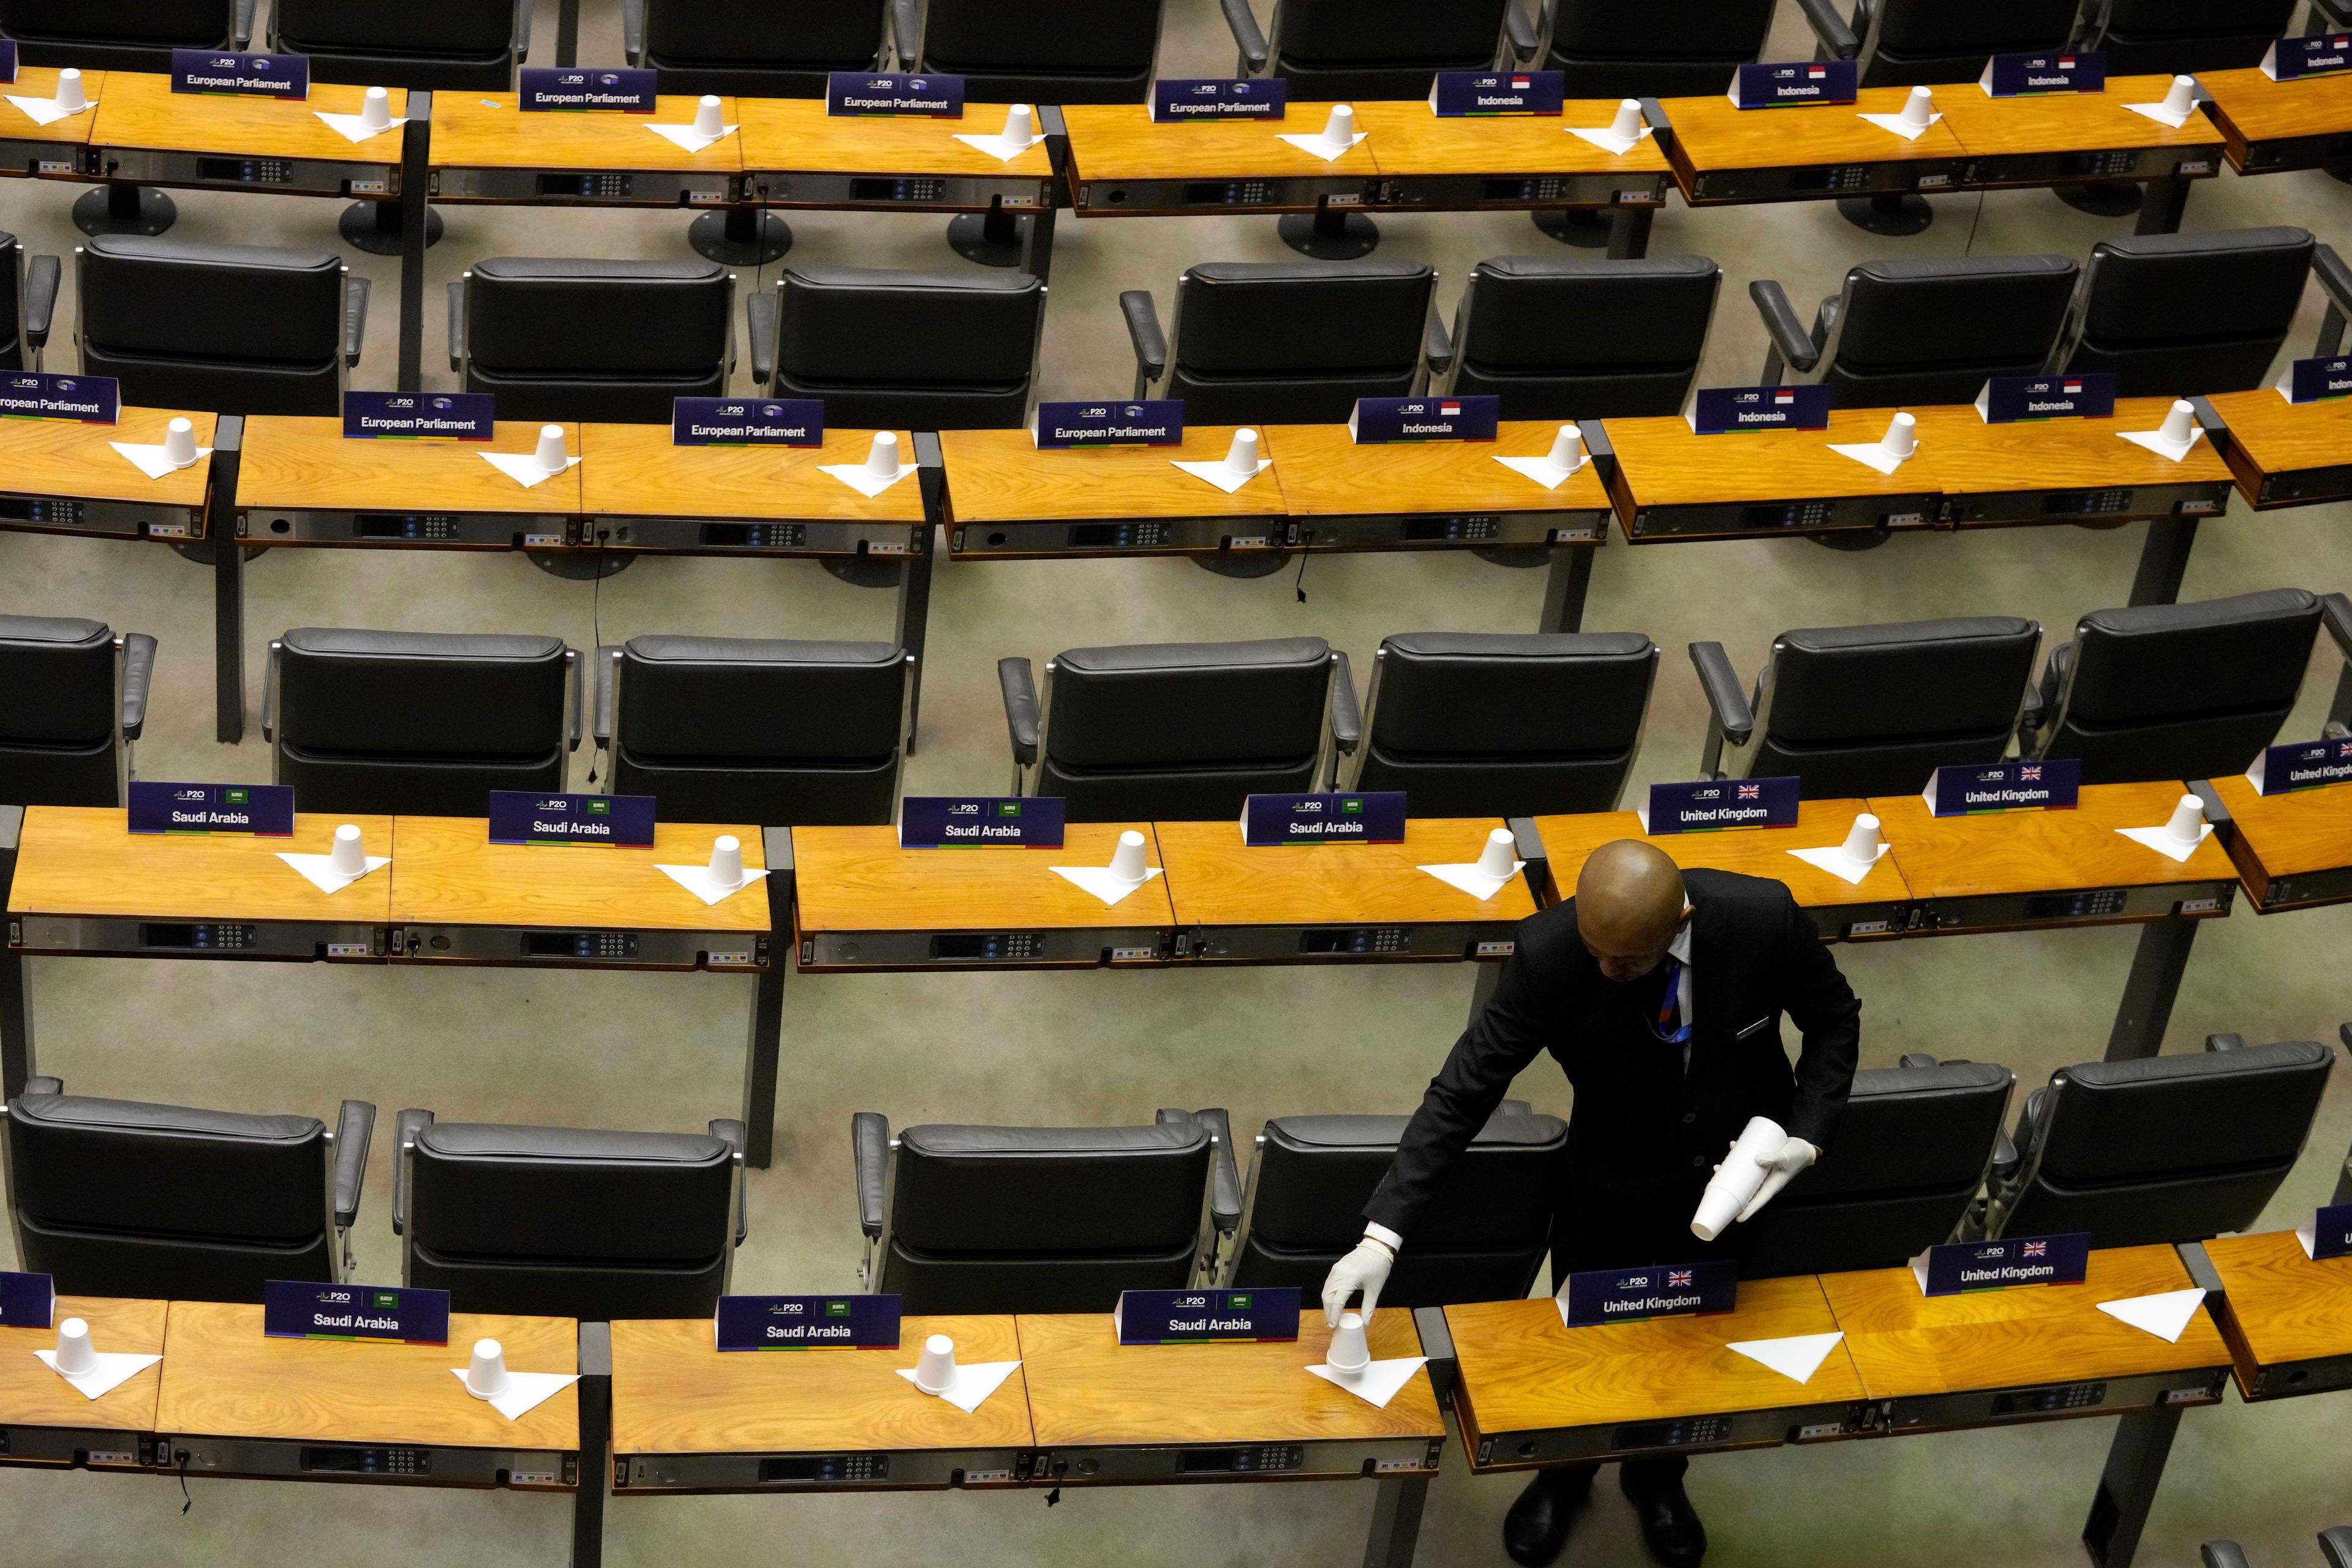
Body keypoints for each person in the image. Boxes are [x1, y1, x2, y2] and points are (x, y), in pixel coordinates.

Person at [1322, 840, 1861, 1568]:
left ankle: (1657, 1474)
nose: (1608, 971)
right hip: (1609, 1176)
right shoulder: (1550, 954)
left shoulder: (1764, 918)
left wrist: (1808, 1133)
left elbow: (1835, 1019)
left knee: (1691, 1340)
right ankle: (1564, 1475)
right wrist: (1381, 1236)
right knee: (1583, 1341)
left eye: (1628, 961)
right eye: (1596, 951)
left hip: (1742, 1176)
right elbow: (1463, 1090)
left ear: (1682, 921)